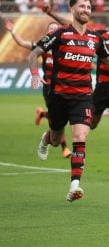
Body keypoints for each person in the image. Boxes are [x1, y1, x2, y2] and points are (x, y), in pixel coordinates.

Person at [27, 0, 109, 202]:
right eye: (82, 6)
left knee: (80, 137)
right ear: (72, 9)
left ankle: (74, 186)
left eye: (89, 7)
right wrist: (36, 74)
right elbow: (33, 54)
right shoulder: (60, 34)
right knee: (56, 139)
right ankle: (46, 139)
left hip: (83, 96)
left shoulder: (95, 38)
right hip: (58, 96)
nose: (86, 10)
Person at [3, 17, 72, 158]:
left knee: (65, 116)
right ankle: (64, 147)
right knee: (59, 120)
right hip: (49, 88)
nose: (53, 31)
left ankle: (43, 116)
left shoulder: (67, 46)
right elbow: (22, 43)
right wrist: (13, 31)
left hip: (66, 87)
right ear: (47, 33)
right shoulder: (43, 47)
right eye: (50, 29)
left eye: (56, 29)